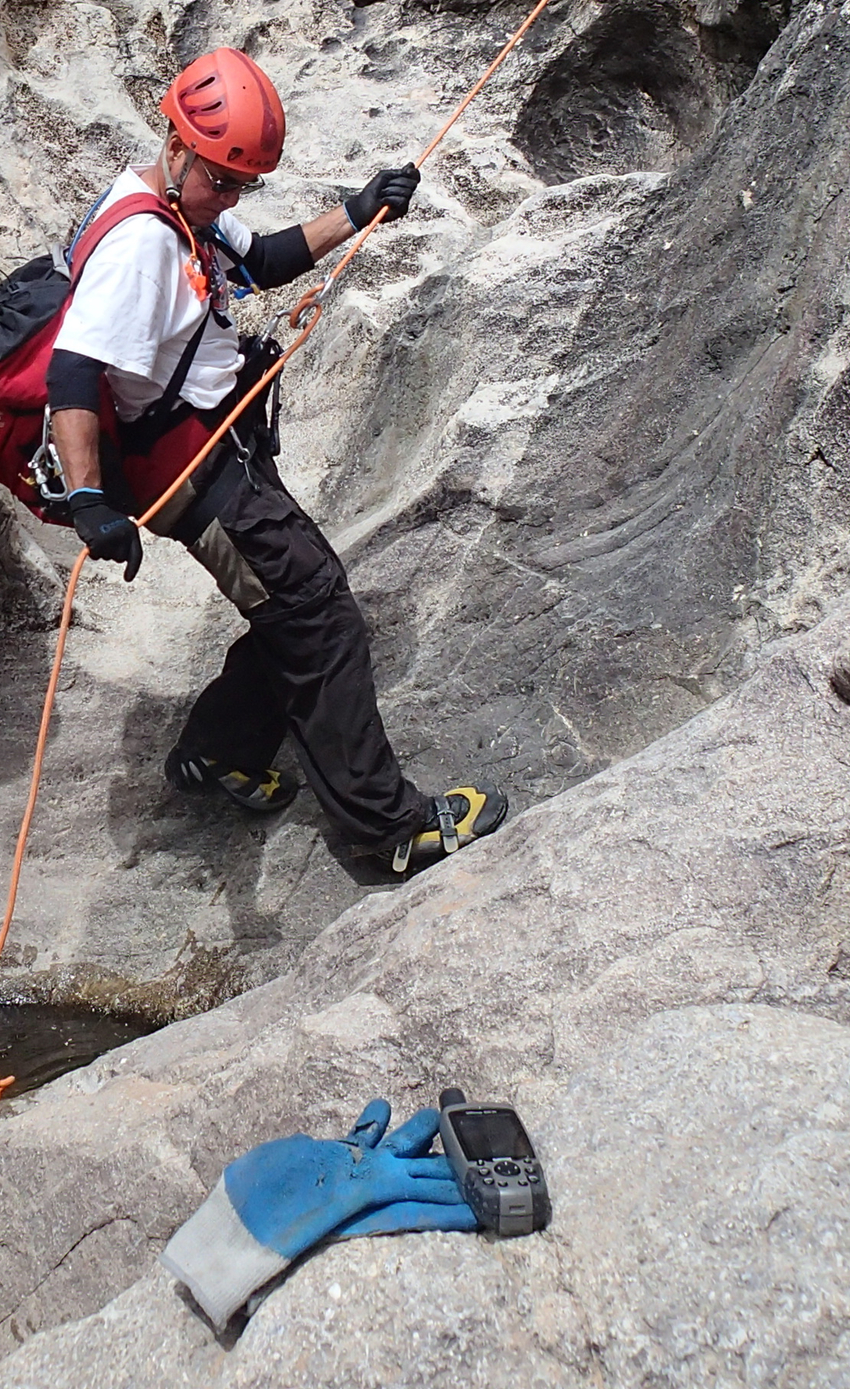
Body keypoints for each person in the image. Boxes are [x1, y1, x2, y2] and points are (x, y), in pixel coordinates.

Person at [45, 47, 509, 876]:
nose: (229, 197)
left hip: (220, 443)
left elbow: (258, 261)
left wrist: (358, 211)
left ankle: (218, 752)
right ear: (178, 146)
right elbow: (73, 372)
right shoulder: (141, 246)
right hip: (193, 469)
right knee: (320, 616)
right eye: (221, 180)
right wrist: (87, 498)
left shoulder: (182, 203)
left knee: (295, 605)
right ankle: (387, 827)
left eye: (240, 185)